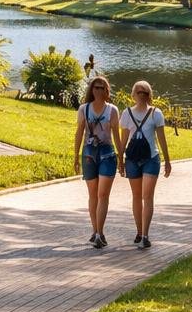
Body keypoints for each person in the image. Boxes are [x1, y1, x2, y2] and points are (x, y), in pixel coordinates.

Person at [117, 80, 171, 249]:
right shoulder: (126, 114)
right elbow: (123, 139)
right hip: (132, 158)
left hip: (151, 158)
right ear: (133, 95)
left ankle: (145, 235)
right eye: (138, 91)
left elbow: (161, 139)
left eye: (144, 92)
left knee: (147, 196)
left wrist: (168, 161)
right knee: (136, 196)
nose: (141, 94)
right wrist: (120, 160)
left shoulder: (156, 114)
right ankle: (139, 231)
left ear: (149, 96)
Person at [73, 75, 119, 248]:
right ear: (91, 90)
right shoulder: (84, 109)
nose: (99, 91)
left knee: (103, 195)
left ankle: (100, 232)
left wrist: (121, 157)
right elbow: (79, 133)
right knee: (93, 194)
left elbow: (117, 136)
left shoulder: (112, 110)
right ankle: (95, 231)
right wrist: (75, 156)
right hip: (89, 154)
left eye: (102, 88)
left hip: (107, 153)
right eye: (96, 87)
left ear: (107, 91)